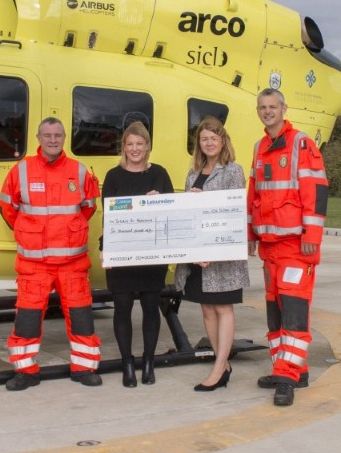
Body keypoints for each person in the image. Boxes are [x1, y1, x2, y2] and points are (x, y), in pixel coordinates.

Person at [0, 117, 102, 390]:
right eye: (47, 135)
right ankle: (26, 372)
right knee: (27, 320)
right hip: (35, 264)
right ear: (38, 138)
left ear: (64, 138)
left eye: (57, 135)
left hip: (72, 263)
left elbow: (88, 208)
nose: (52, 140)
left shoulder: (79, 172)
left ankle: (84, 369)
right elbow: (7, 207)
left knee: (81, 317)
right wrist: (26, 231)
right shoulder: (21, 171)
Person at [247, 89, 328, 407]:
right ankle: (295, 370)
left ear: (284, 108)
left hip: (296, 246)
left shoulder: (301, 143)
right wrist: (251, 233)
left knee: (293, 315)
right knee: (276, 314)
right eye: (263, 107)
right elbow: (255, 194)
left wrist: (312, 235)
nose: (268, 112)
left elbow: (316, 191)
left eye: (273, 107)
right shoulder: (259, 147)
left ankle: (286, 377)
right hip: (270, 248)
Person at [175, 116, 250, 391]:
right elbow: (188, 215)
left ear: (222, 141)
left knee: (222, 307)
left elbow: (231, 215)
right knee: (207, 309)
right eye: (204, 138)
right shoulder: (192, 173)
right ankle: (223, 364)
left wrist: (213, 249)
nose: (208, 143)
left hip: (221, 255)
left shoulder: (233, 171)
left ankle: (219, 366)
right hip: (197, 256)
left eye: (213, 138)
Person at [100, 121, 174, 387]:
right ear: (124, 147)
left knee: (150, 308)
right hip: (122, 254)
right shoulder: (113, 176)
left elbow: (170, 214)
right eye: (129, 144)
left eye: (139, 144)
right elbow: (109, 218)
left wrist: (158, 202)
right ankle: (127, 363)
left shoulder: (160, 174)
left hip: (152, 255)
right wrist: (104, 249)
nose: (134, 149)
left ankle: (149, 362)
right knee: (122, 308)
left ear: (147, 146)